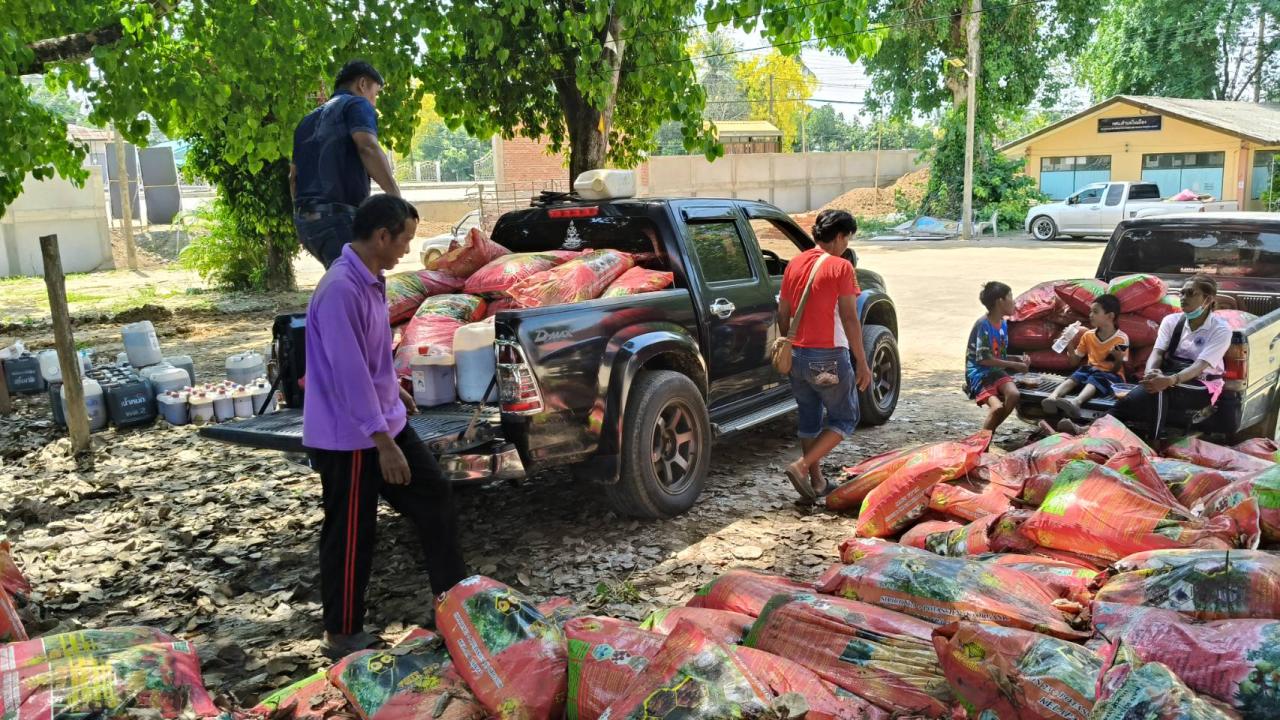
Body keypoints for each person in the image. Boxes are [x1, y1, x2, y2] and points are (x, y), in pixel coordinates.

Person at [303, 194, 467, 658]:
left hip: (381, 421)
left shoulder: (370, 280)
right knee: (352, 532)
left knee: (434, 497)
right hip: (351, 436)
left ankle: (457, 605)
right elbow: (348, 371)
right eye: (405, 240)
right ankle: (342, 632)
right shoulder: (340, 289)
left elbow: (372, 358)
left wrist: (394, 387)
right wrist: (382, 441)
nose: (407, 251)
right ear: (381, 236)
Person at [1061, 275, 1231, 441]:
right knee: (1131, 398)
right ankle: (1090, 429)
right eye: (1182, 293)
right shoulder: (1171, 321)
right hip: (1170, 376)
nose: (1183, 297)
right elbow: (1157, 353)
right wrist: (1150, 375)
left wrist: (1169, 380)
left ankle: (1154, 441)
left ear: (1207, 300)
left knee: (1160, 391)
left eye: (1191, 293)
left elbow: (1200, 366)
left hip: (1202, 384)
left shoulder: (1220, 329)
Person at [777, 209, 873, 501]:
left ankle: (816, 483)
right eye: (848, 238)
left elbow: (783, 313)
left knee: (809, 417)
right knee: (845, 418)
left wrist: (790, 346)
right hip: (827, 357)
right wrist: (862, 362)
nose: (847, 245)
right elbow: (849, 317)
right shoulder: (841, 267)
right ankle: (802, 465)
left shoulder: (794, 264)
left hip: (796, 356)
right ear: (840, 236)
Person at [291, 60, 402, 268]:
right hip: (340, 218)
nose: (374, 102)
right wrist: (397, 199)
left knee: (346, 280)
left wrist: (302, 221)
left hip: (307, 223)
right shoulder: (356, 105)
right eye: (375, 93)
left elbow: (293, 178)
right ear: (362, 84)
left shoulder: (306, 121)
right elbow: (367, 147)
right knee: (362, 284)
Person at [1041, 293, 1129, 419]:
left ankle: (1076, 402)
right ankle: (1052, 397)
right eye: (1090, 311)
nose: (1090, 315)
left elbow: (1115, 369)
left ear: (1110, 316)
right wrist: (1069, 343)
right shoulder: (1088, 335)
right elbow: (1074, 362)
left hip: (1112, 376)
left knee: (1098, 377)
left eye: (1095, 312)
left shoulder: (1121, 339)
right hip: (1091, 370)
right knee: (1078, 374)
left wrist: (1119, 359)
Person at [965, 282, 1029, 432]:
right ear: (1000, 301)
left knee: (1014, 395)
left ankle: (988, 431)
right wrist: (1014, 365)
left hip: (995, 371)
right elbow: (983, 359)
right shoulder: (983, 325)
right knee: (997, 408)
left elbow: (999, 355)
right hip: (979, 373)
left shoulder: (1003, 324)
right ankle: (984, 441)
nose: (1014, 302)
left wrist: (1017, 359)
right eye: (1011, 297)